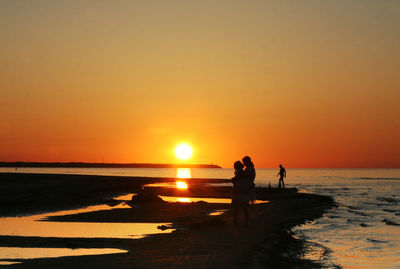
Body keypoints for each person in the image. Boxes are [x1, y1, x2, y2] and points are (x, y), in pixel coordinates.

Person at [231, 161, 251, 227]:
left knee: (237, 206)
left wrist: (233, 179)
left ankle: (236, 222)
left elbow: (237, 179)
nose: (234, 167)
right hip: (241, 190)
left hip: (238, 190)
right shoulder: (242, 172)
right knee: (244, 207)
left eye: (235, 166)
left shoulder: (240, 172)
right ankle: (245, 222)